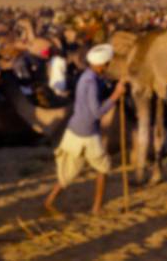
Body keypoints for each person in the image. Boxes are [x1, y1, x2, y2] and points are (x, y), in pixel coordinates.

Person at [44, 43, 126, 215]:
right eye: (107, 64)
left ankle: (50, 200)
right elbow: (96, 112)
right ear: (101, 64)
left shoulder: (88, 76)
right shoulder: (91, 82)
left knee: (69, 172)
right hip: (87, 132)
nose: (108, 66)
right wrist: (116, 96)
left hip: (74, 129)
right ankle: (96, 208)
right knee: (103, 167)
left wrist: (113, 88)